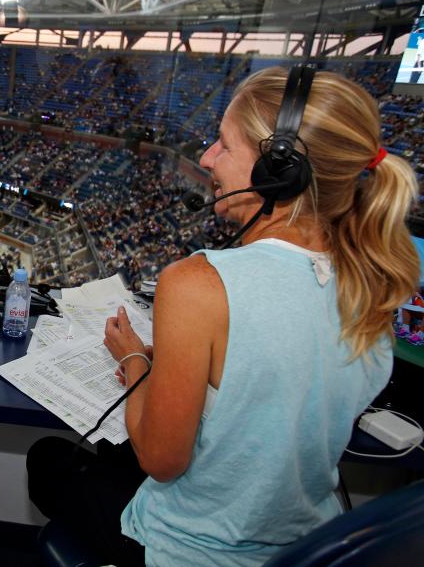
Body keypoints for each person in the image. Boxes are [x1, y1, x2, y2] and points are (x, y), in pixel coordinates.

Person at [27, 67, 419, 566]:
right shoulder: (376, 281)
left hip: (193, 550)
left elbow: (162, 461)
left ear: (281, 171)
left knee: (50, 460)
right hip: (301, 544)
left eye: (225, 145)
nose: (207, 157)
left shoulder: (196, 284)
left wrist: (134, 359)